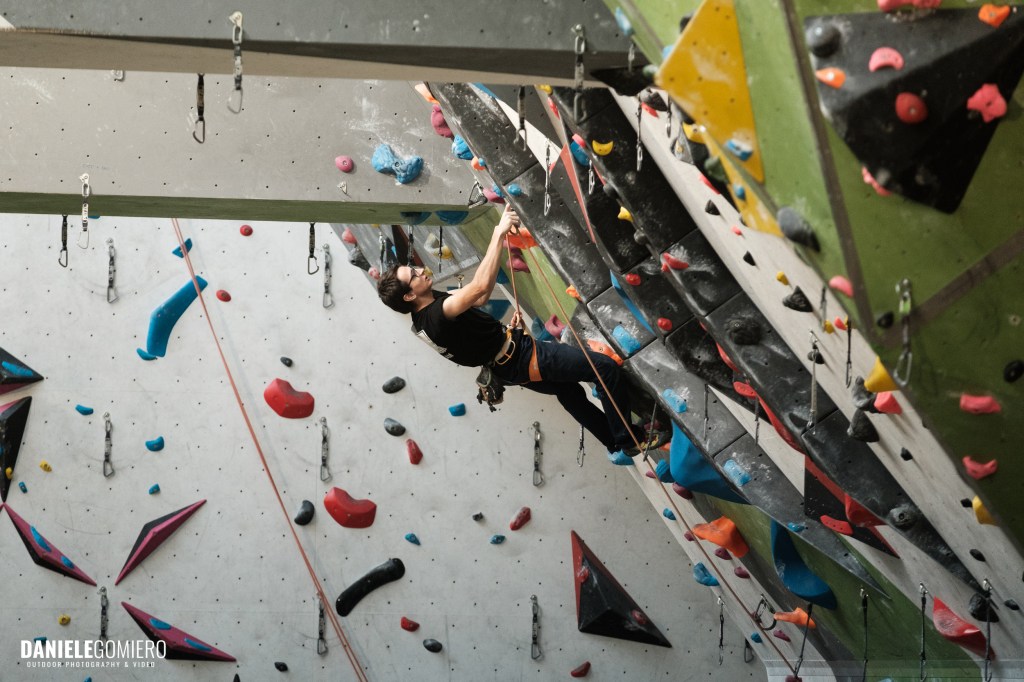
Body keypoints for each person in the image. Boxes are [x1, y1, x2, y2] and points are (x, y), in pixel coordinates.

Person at [376, 205, 669, 458]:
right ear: (409, 296)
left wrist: (501, 332)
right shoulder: (434, 316)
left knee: (568, 392)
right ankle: (630, 439)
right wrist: (498, 233)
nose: (419, 271)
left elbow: (480, 297)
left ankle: (614, 440)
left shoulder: (425, 315)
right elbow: (478, 287)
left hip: (508, 364)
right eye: (412, 275)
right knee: (604, 369)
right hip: (521, 357)